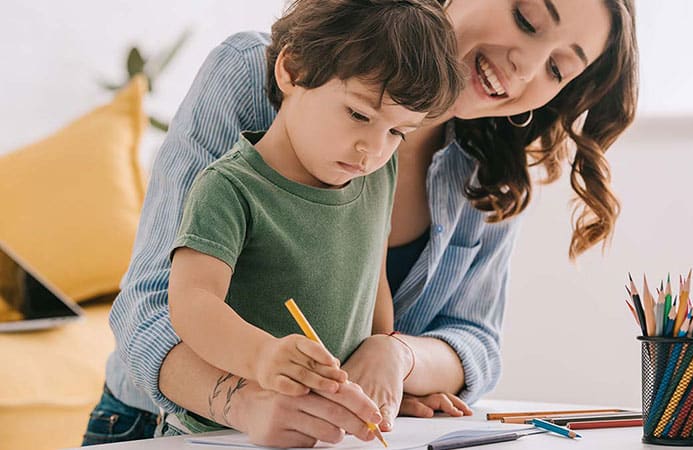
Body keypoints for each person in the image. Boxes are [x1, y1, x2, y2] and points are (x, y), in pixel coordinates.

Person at [84, 0, 639, 447]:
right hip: (157, 428)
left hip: (332, 436)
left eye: (558, 68)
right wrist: (244, 401)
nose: (526, 66)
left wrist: (395, 357)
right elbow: (151, 309)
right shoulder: (258, 76)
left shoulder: (489, 169)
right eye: (527, 18)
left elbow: (476, 344)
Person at [160, 0, 463, 438]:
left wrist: (383, 386)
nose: (372, 150)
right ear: (293, 70)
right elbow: (192, 303)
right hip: (221, 434)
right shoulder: (229, 188)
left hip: (326, 430)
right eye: (359, 114)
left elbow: (371, 283)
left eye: (397, 132)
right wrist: (261, 357)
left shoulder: (378, 176)